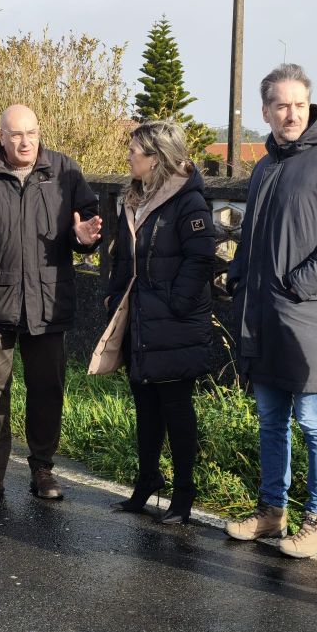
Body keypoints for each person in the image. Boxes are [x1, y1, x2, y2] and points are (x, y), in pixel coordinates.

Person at [223, 64, 317, 557]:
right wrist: (238, 273)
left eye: (299, 105)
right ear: (265, 111)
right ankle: (271, 512)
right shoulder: (265, 165)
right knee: (270, 418)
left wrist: (296, 285)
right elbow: (251, 235)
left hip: (309, 316)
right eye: (282, 106)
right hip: (263, 316)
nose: (292, 114)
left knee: (313, 420)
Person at [0, 104, 102, 505]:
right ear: (0, 136)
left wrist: (84, 237)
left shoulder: (64, 170)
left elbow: (88, 220)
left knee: (47, 388)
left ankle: (42, 468)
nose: (25, 142)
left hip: (48, 302)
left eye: (31, 133)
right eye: (16, 134)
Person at [91, 121, 215, 524]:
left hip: (173, 323)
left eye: (134, 151)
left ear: (156, 158)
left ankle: (184, 494)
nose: (128, 157)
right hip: (139, 319)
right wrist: (114, 296)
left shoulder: (188, 201)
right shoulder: (133, 198)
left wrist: (176, 303)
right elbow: (122, 257)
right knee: (145, 405)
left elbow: (201, 257)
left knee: (176, 408)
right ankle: (147, 481)